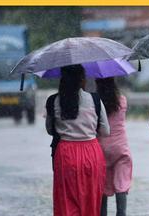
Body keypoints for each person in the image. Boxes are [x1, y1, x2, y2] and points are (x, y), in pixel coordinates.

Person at [45, 64, 110, 216]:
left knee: (66, 200)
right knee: (90, 200)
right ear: (82, 80)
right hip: (91, 154)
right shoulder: (94, 100)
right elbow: (105, 131)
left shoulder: (53, 101)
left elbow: (50, 130)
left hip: (65, 155)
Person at [96, 78, 133, 216]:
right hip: (120, 148)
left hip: (101, 148)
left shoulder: (96, 102)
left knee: (102, 187)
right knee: (122, 184)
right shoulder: (122, 100)